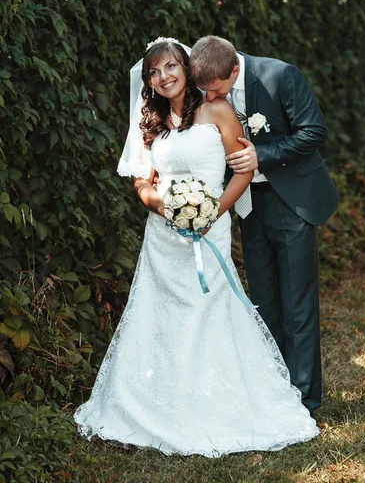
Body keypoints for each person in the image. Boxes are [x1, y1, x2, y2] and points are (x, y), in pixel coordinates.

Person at [74, 38, 319, 456]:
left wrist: (212, 212)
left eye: (171, 67)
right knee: (158, 312)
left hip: (212, 227)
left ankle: (219, 401)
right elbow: (141, 181)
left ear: (187, 69)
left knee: (210, 310)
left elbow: (243, 170)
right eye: (155, 72)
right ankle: (155, 404)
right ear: (148, 79)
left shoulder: (217, 111)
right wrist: (164, 208)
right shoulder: (150, 120)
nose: (164, 76)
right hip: (164, 236)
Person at [190, 35, 340, 417]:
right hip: (248, 206)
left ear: (235, 70)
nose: (209, 99)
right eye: (203, 91)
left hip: (292, 201)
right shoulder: (209, 90)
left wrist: (263, 155)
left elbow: (313, 132)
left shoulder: (280, 76)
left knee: (297, 303)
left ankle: (304, 400)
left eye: (217, 90)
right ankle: (272, 391)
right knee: (261, 302)